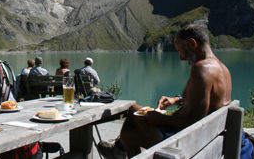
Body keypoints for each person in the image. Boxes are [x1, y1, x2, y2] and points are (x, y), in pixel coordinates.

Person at [97, 24, 232, 158]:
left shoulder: (202, 69)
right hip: (208, 138)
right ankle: (118, 151)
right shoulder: (222, 68)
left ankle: (118, 151)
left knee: (132, 115)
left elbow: (195, 121)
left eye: (181, 51)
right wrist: (176, 99)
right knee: (131, 125)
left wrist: (162, 119)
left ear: (192, 44)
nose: (181, 58)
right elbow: (204, 102)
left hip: (188, 143)